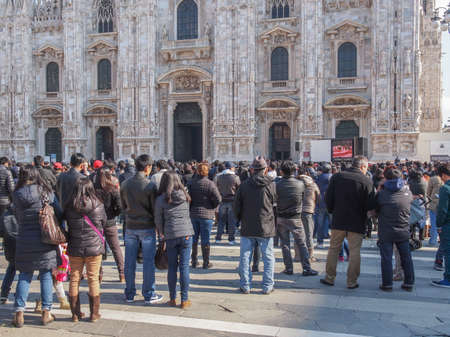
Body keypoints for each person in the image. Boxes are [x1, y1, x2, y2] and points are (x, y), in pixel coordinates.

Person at [12, 165, 62, 327]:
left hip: (25, 239)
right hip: (45, 239)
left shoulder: (17, 194)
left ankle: (19, 313)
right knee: (46, 275)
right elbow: (58, 212)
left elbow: (18, 217)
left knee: (25, 276)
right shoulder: (45, 192)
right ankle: (46, 313)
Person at [320, 156, 374, 289]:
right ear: (362, 167)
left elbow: (328, 197)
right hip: (357, 221)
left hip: (339, 219)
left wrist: (332, 211)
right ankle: (352, 281)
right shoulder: (366, 181)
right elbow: (370, 204)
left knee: (333, 249)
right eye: (366, 167)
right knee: (355, 251)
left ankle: (329, 278)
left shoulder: (337, 177)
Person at [120, 154, 163, 304]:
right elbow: (154, 209)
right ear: (148, 167)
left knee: (129, 261)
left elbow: (122, 206)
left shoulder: (125, 184)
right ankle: (149, 294)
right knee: (148, 262)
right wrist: (159, 226)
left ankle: (129, 294)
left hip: (130, 226)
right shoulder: (150, 185)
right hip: (147, 227)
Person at [234, 157, 276, 294]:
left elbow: (237, 207)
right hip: (266, 226)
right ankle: (267, 286)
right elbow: (276, 204)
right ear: (265, 170)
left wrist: (240, 220)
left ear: (252, 170)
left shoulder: (244, 185)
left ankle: (245, 285)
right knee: (268, 257)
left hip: (248, 226)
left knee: (245, 257)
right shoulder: (271, 185)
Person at [65, 177, 106, 322]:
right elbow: (104, 223)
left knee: (74, 279)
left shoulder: (69, 205)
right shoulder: (98, 204)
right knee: (93, 279)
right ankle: (94, 314)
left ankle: (75, 314)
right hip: (94, 248)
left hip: (75, 246)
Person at [155, 171, 194, 309]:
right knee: (184, 267)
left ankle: (172, 299)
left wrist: (162, 233)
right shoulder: (185, 195)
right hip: (186, 234)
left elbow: (158, 219)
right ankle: (184, 300)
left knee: (172, 267)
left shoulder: (161, 199)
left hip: (170, 235)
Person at [373, 168, 415, 292]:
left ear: (385, 178)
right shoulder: (407, 192)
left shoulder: (382, 193)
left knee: (386, 258)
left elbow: (375, 209)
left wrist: (380, 189)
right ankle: (409, 283)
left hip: (386, 230)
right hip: (403, 229)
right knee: (406, 257)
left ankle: (387, 284)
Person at [276, 161, 318, 276]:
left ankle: (288, 268)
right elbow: (303, 198)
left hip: (281, 217)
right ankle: (306, 268)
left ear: (281, 171)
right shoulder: (300, 184)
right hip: (295, 217)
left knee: (284, 244)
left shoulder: (277, 185)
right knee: (301, 243)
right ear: (294, 171)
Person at [94, 166, 124, 283]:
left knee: (98, 249)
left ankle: (99, 275)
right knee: (116, 248)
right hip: (110, 222)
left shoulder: (93, 190)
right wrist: (114, 214)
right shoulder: (113, 189)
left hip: (96, 223)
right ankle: (122, 274)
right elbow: (120, 206)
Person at [189, 163, 221, 269]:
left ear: (197, 171)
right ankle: (206, 262)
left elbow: (188, 198)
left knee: (194, 239)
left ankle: (194, 261)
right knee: (205, 239)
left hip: (193, 214)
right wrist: (212, 206)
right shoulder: (210, 184)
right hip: (207, 215)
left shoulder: (191, 183)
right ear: (207, 171)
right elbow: (218, 199)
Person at [431, 163, 450, 288]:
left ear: (443, 175)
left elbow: (442, 209)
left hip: (448, 224)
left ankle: (448, 278)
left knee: (448, 251)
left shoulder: (445, 188)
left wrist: (439, 225)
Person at [298, 166, 320, 262]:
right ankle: (310, 256)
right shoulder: (313, 184)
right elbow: (319, 197)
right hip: (309, 210)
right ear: (307, 174)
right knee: (309, 234)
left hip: (297, 211)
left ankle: (297, 256)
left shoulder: (296, 183)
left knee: (298, 234)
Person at [215, 161, 241, 245]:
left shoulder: (218, 177)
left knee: (221, 221)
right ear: (231, 168)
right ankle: (231, 239)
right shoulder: (235, 177)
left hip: (222, 200)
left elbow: (216, 188)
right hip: (232, 201)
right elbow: (239, 189)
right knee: (231, 221)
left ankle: (218, 238)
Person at [316, 164, 332, 249]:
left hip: (321, 202)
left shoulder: (319, 177)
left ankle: (320, 242)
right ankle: (334, 242)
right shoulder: (333, 177)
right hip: (331, 204)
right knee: (333, 225)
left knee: (320, 224)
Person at [427, 170, 443, 247]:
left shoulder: (433, 179)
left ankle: (433, 241)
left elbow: (428, 192)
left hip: (434, 203)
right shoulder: (446, 179)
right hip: (444, 203)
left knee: (434, 223)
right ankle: (442, 239)